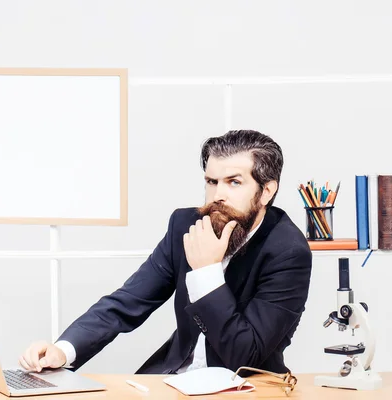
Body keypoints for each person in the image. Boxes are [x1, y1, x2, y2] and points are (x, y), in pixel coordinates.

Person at [19, 130, 312, 376]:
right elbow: (127, 302)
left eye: (234, 182)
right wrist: (63, 350)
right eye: (211, 182)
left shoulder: (287, 252)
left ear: (266, 192)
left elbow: (243, 354)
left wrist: (207, 274)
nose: (217, 195)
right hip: (171, 380)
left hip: (244, 387)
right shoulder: (185, 225)